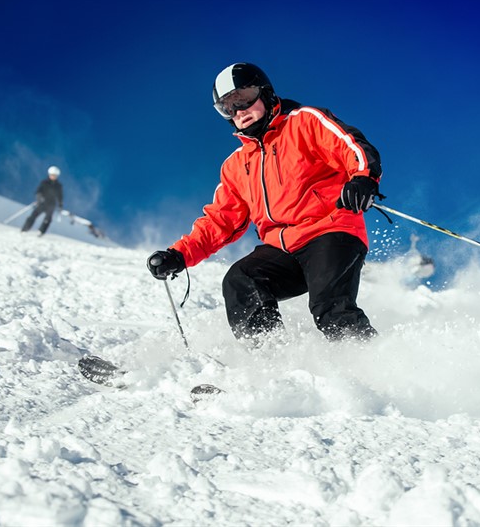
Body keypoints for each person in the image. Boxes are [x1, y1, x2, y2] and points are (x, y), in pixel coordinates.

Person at [147, 62, 382, 343]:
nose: (239, 111)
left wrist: (363, 178)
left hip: (330, 233)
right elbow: (221, 221)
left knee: (330, 308)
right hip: (283, 248)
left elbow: (350, 145)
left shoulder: (303, 122)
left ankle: (373, 364)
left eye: (243, 99)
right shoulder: (236, 165)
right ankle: (270, 361)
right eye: (228, 107)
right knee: (241, 280)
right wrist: (180, 254)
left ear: (266, 93)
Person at [21, 165, 64, 235]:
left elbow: (60, 196)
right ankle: (24, 229)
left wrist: (60, 204)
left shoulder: (58, 186)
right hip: (43, 202)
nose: (53, 176)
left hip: (51, 204)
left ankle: (41, 232)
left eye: (55, 175)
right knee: (33, 216)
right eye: (52, 175)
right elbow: (38, 191)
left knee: (48, 218)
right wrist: (39, 198)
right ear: (49, 174)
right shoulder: (44, 183)